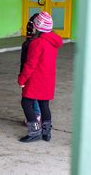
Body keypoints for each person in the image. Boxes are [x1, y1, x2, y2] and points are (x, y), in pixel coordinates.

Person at [18, 11, 63, 142]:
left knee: (26, 103)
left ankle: (34, 132)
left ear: (37, 26)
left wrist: (22, 79)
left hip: (36, 79)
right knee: (44, 105)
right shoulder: (53, 42)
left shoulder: (36, 43)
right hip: (48, 79)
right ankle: (46, 133)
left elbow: (30, 64)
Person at [21, 13, 41, 125]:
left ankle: (35, 117)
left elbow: (26, 63)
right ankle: (37, 115)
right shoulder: (44, 42)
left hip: (30, 75)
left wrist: (22, 77)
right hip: (39, 75)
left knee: (29, 98)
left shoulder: (29, 44)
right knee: (36, 96)